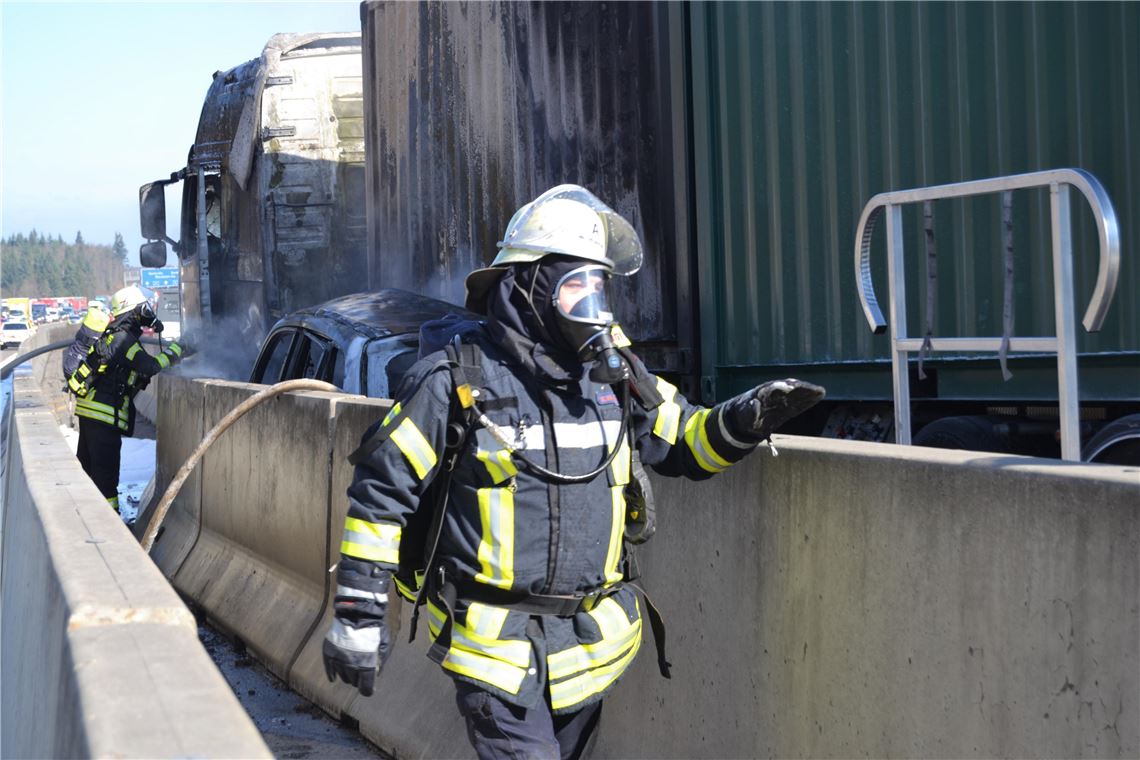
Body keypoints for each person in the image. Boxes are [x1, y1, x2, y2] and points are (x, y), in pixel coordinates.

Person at [322, 185, 825, 759]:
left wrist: (745, 418)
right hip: (495, 650)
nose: (593, 305)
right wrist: (359, 616)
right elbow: (381, 496)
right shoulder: (453, 379)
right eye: (576, 287)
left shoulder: (612, 377)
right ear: (531, 288)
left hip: (586, 649)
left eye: (599, 286)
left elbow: (684, 443)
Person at [71, 285, 189, 513]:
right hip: (103, 418)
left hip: (90, 413)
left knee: (89, 472)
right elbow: (151, 365)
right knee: (105, 478)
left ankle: (86, 518)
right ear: (132, 312)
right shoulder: (124, 340)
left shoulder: (114, 337)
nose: (147, 313)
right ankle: (109, 525)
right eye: (142, 309)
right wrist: (179, 348)